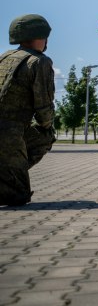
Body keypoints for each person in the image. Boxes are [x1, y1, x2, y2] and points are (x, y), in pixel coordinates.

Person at [0, 14, 56, 206]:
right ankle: (9, 174)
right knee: (46, 135)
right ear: (39, 37)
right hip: (10, 133)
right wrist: (47, 125)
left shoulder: (4, 57)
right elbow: (44, 108)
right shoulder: (39, 61)